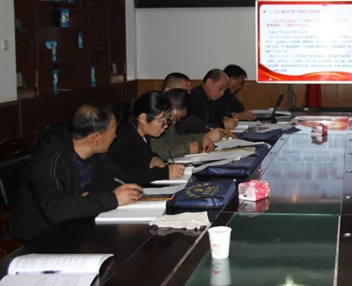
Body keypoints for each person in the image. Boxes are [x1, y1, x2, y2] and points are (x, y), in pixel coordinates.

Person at [12, 102, 142, 241]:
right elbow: (56, 210)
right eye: (113, 132)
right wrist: (113, 199)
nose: (115, 136)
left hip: (76, 227)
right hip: (41, 239)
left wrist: (89, 192)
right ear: (95, 138)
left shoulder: (94, 153)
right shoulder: (49, 161)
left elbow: (114, 177)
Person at [108, 91, 185, 185]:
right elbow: (129, 176)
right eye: (162, 122)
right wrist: (166, 173)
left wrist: (154, 157)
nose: (165, 126)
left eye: (167, 122)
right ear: (143, 118)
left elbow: (147, 155)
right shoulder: (123, 139)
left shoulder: (143, 135)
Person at [150, 88, 233, 160]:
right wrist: (187, 149)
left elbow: (174, 140)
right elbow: (158, 151)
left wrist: (203, 137)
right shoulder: (153, 115)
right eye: (176, 118)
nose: (174, 123)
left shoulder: (169, 120)